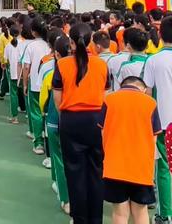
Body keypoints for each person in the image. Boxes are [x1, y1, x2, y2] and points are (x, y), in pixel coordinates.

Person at [53, 23, 110, 224]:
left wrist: (66, 117)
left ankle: (79, 218)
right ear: (91, 41)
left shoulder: (62, 65)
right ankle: (96, 219)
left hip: (71, 119)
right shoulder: (102, 64)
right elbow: (106, 95)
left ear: (71, 42)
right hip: (96, 120)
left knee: (74, 172)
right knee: (96, 171)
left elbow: (57, 98)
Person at [100, 76, 160, 224]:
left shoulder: (109, 100)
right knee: (141, 212)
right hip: (141, 168)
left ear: (122, 85)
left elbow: (102, 133)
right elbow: (154, 138)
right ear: (143, 89)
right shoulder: (151, 103)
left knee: (119, 213)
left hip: (114, 166)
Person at [143, 16, 172, 223]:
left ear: (160, 34)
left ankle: (165, 214)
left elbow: (146, 92)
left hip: (164, 121)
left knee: (164, 169)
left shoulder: (153, 60)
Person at [39, 35, 70, 215]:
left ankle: (66, 199)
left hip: (55, 120)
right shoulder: (84, 69)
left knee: (59, 160)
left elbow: (44, 96)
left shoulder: (51, 71)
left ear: (56, 53)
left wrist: (43, 110)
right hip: (80, 121)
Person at [23, 17, 50, 155]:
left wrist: (25, 84)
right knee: (48, 113)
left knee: (36, 114)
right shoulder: (50, 45)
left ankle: (38, 143)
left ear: (33, 32)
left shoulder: (31, 46)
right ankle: (48, 140)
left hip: (35, 84)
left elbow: (26, 67)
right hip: (50, 85)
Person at [3, 25, 20, 123]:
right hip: (23, 73)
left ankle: (15, 117)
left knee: (13, 94)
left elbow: (6, 60)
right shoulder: (23, 44)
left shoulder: (8, 46)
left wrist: (6, 66)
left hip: (13, 72)